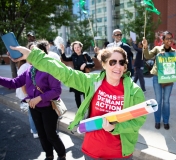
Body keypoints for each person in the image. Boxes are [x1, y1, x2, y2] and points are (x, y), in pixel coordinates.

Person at [10, 45, 146, 160]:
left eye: (122, 62)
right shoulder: (92, 81)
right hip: (92, 151)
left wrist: (115, 128)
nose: (118, 66)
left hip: (119, 154)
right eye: (113, 62)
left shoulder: (134, 91)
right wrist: (32, 55)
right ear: (104, 64)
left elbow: (137, 121)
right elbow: (64, 72)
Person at [1, 41, 66, 160]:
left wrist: (39, 98)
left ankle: (62, 154)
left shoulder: (50, 68)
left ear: (40, 54)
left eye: (31, 52)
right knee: (41, 134)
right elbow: (14, 82)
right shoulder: (29, 69)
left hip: (48, 108)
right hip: (34, 108)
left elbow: (56, 90)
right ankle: (49, 155)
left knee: (50, 134)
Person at [142, 31, 176, 130]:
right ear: (163, 40)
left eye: (171, 38)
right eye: (167, 38)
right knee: (158, 100)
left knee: (166, 101)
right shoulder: (157, 49)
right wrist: (145, 47)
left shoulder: (174, 52)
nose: (169, 40)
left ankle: (166, 121)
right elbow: (148, 56)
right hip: (157, 77)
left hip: (169, 79)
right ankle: (157, 121)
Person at [60, 41, 95, 109]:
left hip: (85, 78)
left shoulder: (85, 55)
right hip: (76, 77)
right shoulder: (73, 55)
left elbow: (92, 63)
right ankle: (79, 109)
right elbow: (65, 59)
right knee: (77, 94)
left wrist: (85, 64)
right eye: (75, 47)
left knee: (86, 94)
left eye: (78, 47)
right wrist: (62, 50)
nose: (76, 49)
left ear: (81, 47)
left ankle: (87, 108)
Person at [16, 57, 38, 138]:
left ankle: (33, 129)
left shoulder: (29, 65)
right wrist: (27, 96)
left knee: (32, 112)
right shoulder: (25, 67)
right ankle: (35, 131)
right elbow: (22, 84)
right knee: (32, 113)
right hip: (27, 94)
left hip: (29, 94)